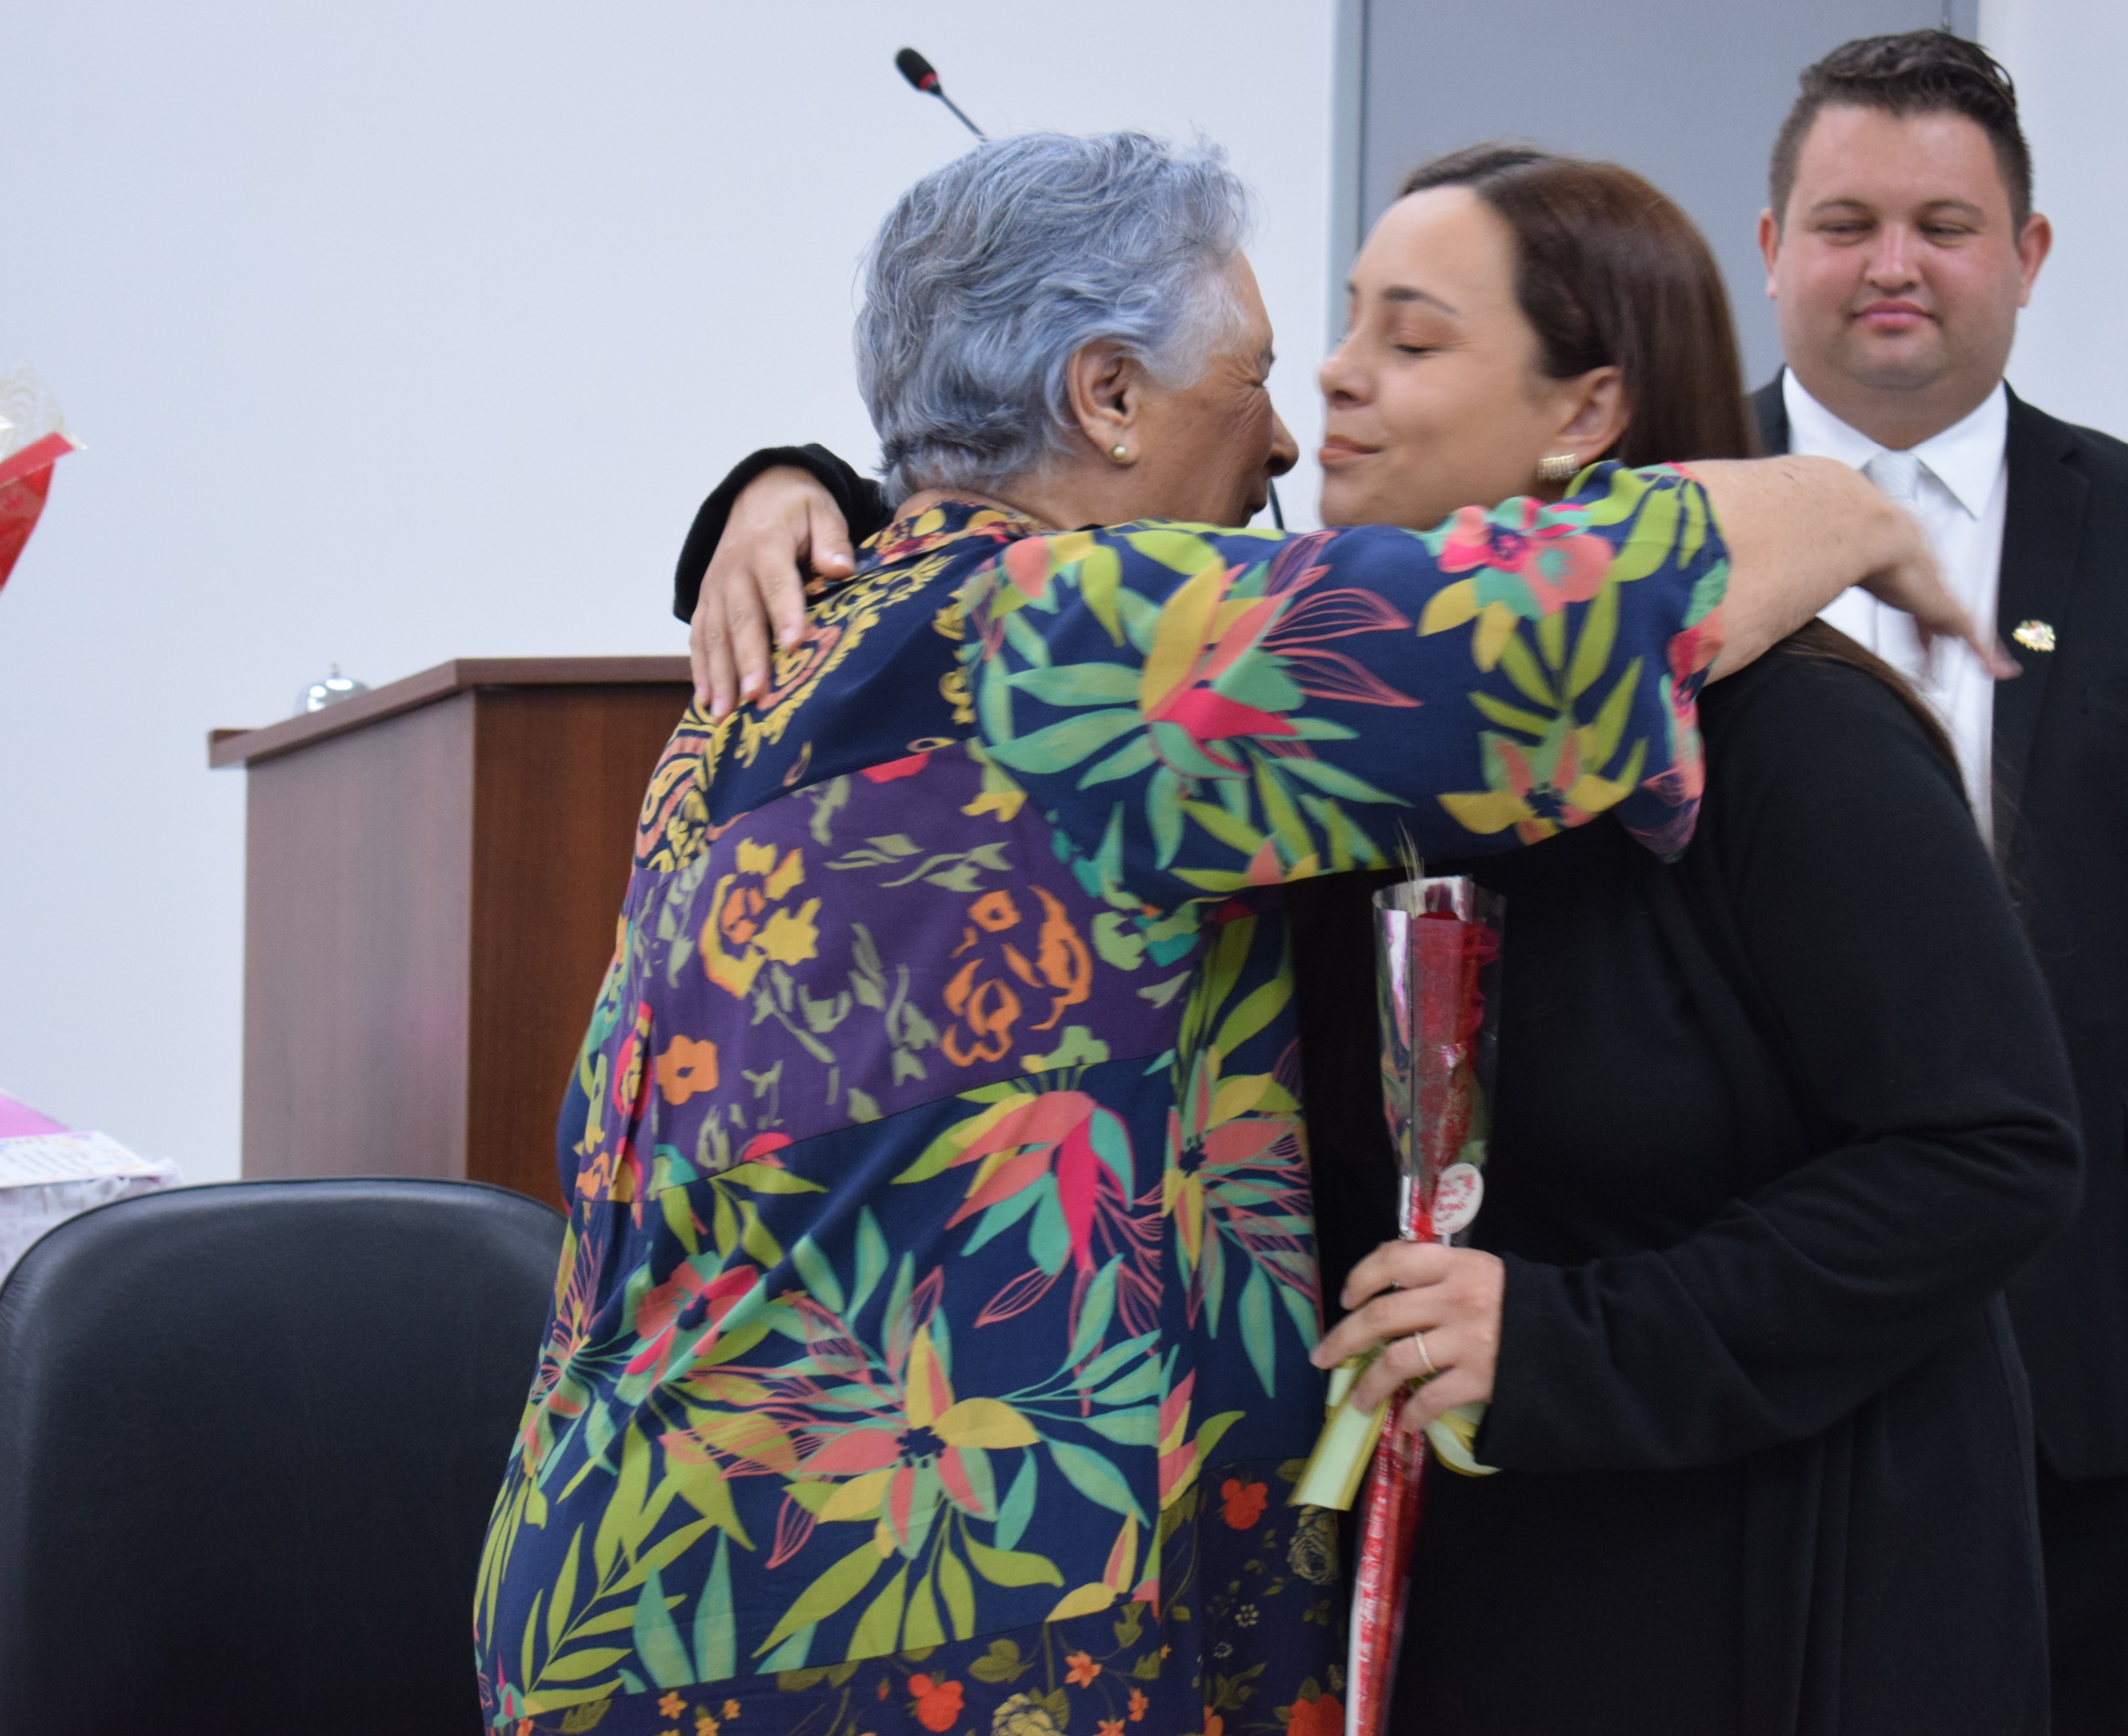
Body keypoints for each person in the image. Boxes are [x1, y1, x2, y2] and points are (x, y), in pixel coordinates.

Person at [480, 130, 1965, 1735]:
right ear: (1108, 396)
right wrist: (1846, 494)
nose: (1284, 436)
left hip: (634, 1585)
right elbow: (1576, 619)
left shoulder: (784, 662)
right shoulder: (1083, 643)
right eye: (1250, 376)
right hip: (898, 1633)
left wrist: (787, 483)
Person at [1291, 146, 2080, 1733]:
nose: (1336, 372)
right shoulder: (1346, 732)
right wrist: (800, 491)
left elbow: (1990, 1149)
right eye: (1350, 317)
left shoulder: (1796, 742)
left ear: (1588, 411)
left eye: (1412, 335)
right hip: (1492, 1574)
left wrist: (1566, 1339)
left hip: (1769, 1586)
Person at [1751, 32, 2128, 1733]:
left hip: (2066, 1320)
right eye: (1846, 221)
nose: (1892, 264)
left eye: (1943, 226)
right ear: (1771, 246)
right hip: (1709, 1300)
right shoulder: (1629, 523)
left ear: (2024, 254)